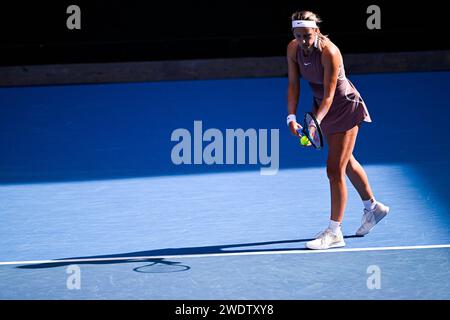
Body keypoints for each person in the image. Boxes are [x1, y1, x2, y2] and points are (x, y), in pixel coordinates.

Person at [286, 10, 390, 250]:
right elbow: (293, 84)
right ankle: (373, 208)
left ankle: (334, 232)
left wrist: (315, 121)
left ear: (316, 31)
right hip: (321, 107)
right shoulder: (293, 49)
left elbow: (331, 95)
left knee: (334, 170)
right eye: (298, 35)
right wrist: (291, 116)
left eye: (307, 35)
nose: (303, 41)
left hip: (343, 107)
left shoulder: (330, 52)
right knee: (346, 161)